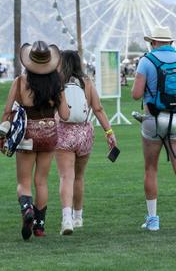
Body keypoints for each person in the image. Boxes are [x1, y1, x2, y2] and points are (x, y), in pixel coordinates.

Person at [131, 26, 176, 235]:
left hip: (153, 119)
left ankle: (153, 220)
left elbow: (136, 94)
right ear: (170, 42)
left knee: (151, 169)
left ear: (153, 42)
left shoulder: (146, 61)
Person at [0, 41, 70, 240]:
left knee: (24, 181)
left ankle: (27, 209)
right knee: (42, 181)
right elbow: (65, 115)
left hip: (27, 134)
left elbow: (7, 111)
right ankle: (39, 226)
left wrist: (3, 136)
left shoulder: (20, 82)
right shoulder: (57, 83)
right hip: (49, 134)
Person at [55, 50, 117, 234]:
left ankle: (66, 219)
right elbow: (98, 109)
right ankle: (78, 217)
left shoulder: (58, 83)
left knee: (66, 177)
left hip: (63, 133)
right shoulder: (87, 82)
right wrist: (109, 132)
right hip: (84, 134)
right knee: (79, 177)